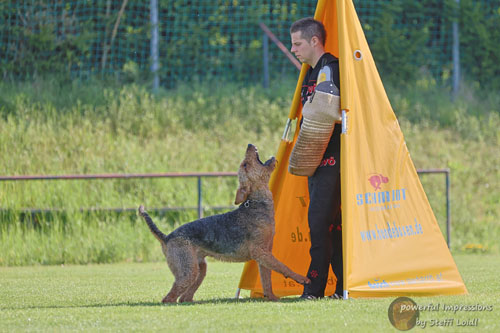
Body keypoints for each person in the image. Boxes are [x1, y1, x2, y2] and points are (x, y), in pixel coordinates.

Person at [290, 17, 343, 300]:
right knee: (331, 226)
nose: (293, 49)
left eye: (297, 43)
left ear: (314, 41)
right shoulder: (309, 72)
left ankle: (313, 289)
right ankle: (344, 286)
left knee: (319, 223)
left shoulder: (329, 68)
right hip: (315, 160)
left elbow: (324, 111)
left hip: (331, 159)